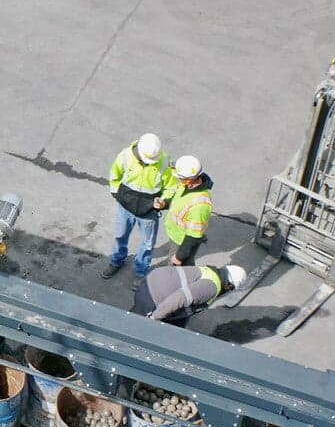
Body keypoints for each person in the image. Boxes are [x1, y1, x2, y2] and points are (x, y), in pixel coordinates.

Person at [102, 133, 177, 285]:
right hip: (126, 207)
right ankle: (117, 261)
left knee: (147, 244)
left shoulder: (163, 162)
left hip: (149, 212)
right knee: (120, 236)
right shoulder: (125, 156)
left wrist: (163, 202)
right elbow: (114, 175)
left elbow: (171, 187)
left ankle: (141, 271)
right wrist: (118, 195)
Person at [131, 264, 246, 328]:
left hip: (150, 282)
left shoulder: (211, 272)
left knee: (132, 317)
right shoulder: (212, 286)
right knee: (134, 327)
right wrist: (154, 317)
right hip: (152, 297)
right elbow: (179, 298)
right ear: (229, 285)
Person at [163, 155, 213, 266]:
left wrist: (180, 256)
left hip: (182, 242)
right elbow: (178, 200)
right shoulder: (186, 185)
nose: (179, 180)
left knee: (177, 271)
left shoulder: (200, 204)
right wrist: (164, 203)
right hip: (176, 235)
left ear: (189, 180)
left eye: (180, 178)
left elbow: (194, 235)